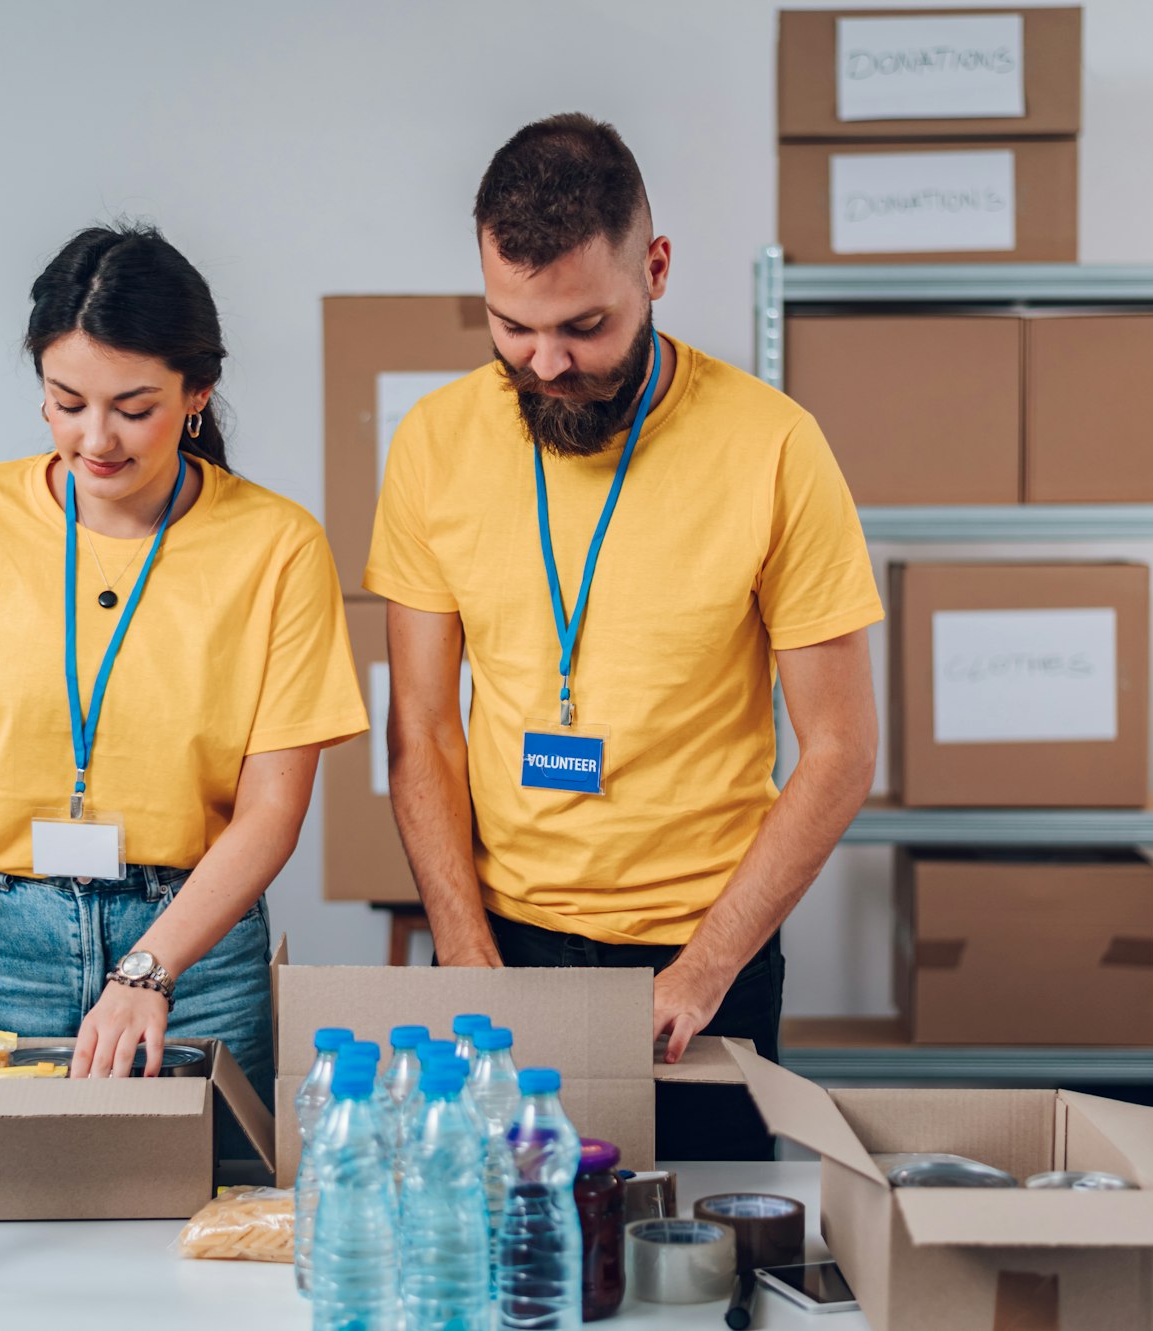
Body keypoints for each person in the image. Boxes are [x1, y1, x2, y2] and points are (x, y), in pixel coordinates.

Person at [365, 114, 882, 1159]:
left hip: (703, 948)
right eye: (510, 326)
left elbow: (838, 750)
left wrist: (703, 970)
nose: (545, 361)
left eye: (583, 327)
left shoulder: (772, 445)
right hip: (503, 943)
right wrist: (463, 948)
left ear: (653, 269)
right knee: (511, 1262)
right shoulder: (432, 443)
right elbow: (422, 725)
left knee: (695, 1265)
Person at [0, 224, 367, 1099]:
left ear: (199, 392)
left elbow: (273, 807)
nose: (95, 438)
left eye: (133, 406)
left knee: (202, 1218)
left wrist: (148, 969)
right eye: (65, 399)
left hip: (192, 945)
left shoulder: (277, 546)